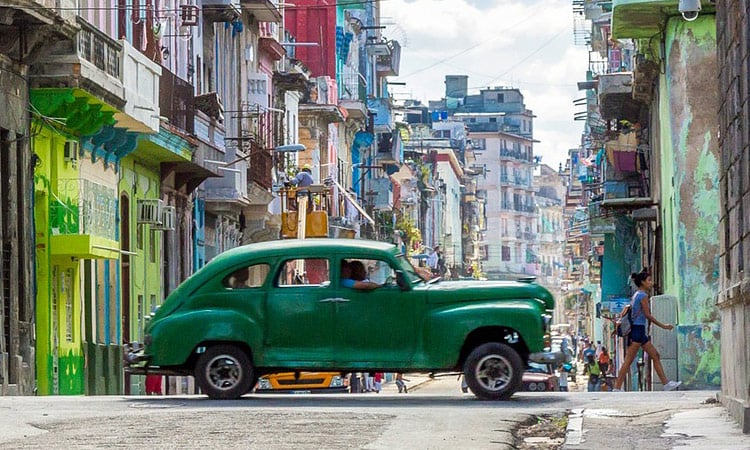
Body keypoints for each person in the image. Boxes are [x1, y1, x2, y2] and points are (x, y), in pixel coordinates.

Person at [612, 270, 682, 392]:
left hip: (639, 331)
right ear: (643, 282)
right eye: (649, 280)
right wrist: (663, 326)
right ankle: (617, 388)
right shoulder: (643, 296)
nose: (651, 283)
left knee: (655, 355)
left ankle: (666, 384)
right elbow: (648, 315)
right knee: (628, 360)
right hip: (638, 331)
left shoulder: (636, 295)